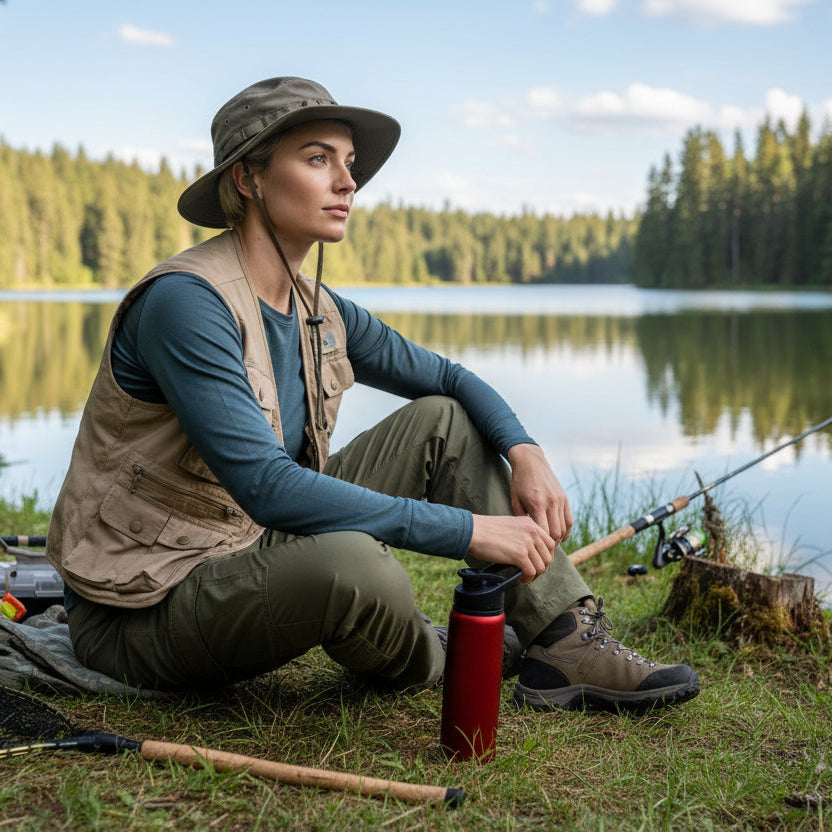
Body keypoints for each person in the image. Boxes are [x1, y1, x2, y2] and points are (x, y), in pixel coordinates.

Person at [46, 77, 699, 711]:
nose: (347, 182)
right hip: (141, 606)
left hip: (245, 544)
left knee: (446, 421)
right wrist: (470, 531)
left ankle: (566, 643)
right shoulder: (187, 304)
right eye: (317, 159)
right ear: (248, 178)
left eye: (349, 163)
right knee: (356, 565)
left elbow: (449, 380)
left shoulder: (318, 308)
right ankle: (441, 654)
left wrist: (523, 448)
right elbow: (267, 487)